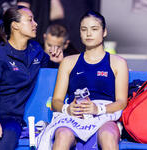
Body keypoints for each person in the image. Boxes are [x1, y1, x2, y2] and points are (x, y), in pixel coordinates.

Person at [0, 5, 63, 150]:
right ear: (15, 25)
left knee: (9, 136)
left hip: (12, 117)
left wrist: (57, 61)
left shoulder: (36, 50)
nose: (35, 24)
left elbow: (49, 66)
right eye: (30, 20)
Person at [51, 10, 129, 150]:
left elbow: (122, 102)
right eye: (84, 29)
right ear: (80, 32)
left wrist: (98, 109)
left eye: (94, 29)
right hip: (74, 117)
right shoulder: (68, 62)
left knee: (108, 136)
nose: (88, 34)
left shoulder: (118, 62)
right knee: (62, 135)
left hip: (104, 115)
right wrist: (67, 109)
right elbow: (56, 101)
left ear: (104, 32)